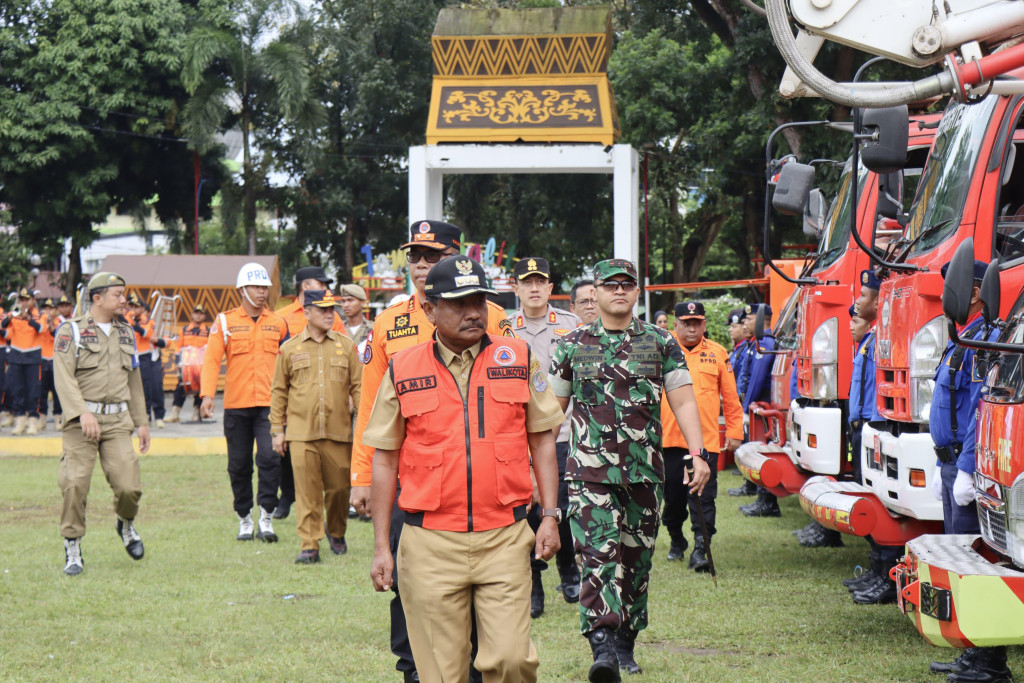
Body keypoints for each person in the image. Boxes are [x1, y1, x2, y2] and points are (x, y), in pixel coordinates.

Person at [364, 255, 565, 683]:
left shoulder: (517, 357)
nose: (474, 311)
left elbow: (543, 438)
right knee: (440, 673)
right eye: (459, 302)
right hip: (429, 544)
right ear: (430, 308)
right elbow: (385, 458)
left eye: (479, 300)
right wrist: (383, 546)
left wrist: (549, 515)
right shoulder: (403, 368)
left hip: (505, 538)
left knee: (512, 662)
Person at [350, 219, 511, 683]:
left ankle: (476, 667)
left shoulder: (493, 317)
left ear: (456, 257)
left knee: (481, 580)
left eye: (432, 255)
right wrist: (362, 474)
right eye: (414, 257)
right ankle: (415, 668)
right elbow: (370, 407)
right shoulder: (389, 322)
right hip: (409, 479)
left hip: (476, 475)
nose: (421, 265)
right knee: (409, 577)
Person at [549, 258, 711, 680]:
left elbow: (684, 400)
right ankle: (602, 646)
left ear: (637, 292)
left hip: (643, 473)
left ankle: (626, 642)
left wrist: (698, 453)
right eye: (610, 285)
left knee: (635, 562)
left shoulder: (660, 342)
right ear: (596, 293)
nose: (619, 291)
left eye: (627, 284)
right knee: (598, 557)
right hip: (588, 475)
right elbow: (551, 412)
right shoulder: (571, 344)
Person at [926, 260, 1011, 683]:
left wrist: (965, 469)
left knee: (981, 564)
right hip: (950, 462)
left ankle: (990, 662)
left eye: (951, 288)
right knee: (960, 561)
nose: (945, 297)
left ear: (974, 291)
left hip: (965, 465)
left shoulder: (986, 339)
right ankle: (971, 652)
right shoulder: (966, 336)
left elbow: (983, 411)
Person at [52, 272, 151, 575]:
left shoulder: (126, 333)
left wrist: (142, 421)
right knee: (75, 484)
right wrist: (82, 412)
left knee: (129, 487)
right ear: (97, 298)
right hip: (80, 422)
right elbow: (63, 376)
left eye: (124, 294)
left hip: (118, 420)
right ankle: (72, 545)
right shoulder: (71, 331)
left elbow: (134, 380)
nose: (124, 300)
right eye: (117, 294)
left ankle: (126, 524)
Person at [508, 256, 582, 617]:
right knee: (525, 509)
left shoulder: (571, 325)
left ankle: (568, 567)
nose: (535, 288)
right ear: (516, 287)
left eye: (541, 282)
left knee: (560, 505)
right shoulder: (503, 329)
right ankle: (534, 582)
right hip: (516, 434)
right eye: (527, 282)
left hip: (563, 430)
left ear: (551, 288)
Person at [200, 263, 289, 544]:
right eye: (256, 287)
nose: (262, 292)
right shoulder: (224, 322)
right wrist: (206, 396)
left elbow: (288, 365)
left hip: (269, 406)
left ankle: (266, 516)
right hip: (236, 405)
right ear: (242, 290)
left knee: (270, 459)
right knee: (238, 465)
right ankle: (244, 518)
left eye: (265, 287)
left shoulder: (278, 323)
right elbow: (212, 361)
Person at [271, 290, 361, 564]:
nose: (328, 314)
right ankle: (309, 544)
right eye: (321, 310)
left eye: (331, 309)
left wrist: (363, 427)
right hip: (301, 433)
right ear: (306, 312)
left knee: (339, 490)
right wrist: (277, 430)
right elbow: (278, 392)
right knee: (307, 492)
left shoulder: (346, 347)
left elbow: (359, 388)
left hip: (338, 432)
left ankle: (336, 531)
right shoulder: (290, 348)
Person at [660, 301, 743, 571]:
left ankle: (700, 549)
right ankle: (676, 540)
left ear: (704, 324)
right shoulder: (661, 350)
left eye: (697, 322)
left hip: (706, 442)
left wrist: (734, 431)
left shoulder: (718, 353)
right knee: (672, 500)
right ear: (676, 324)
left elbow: (730, 397)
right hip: (669, 441)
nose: (692, 328)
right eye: (686, 323)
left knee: (703, 498)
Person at [275, 266, 347, 520]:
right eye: (321, 283)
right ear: (305, 286)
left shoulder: (332, 317)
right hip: (297, 401)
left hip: (331, 405)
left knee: (336, 481)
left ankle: (335, 529)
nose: (326, 288)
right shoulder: (281, 318)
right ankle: (287, 499)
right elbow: (279, 369)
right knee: (291, 465)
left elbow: (343, 354)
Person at [738, 304, 782, 517]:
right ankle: (762, 498)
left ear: (760, 319)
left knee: (762, 452)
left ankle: (767, 501)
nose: (745, 323)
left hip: (762, 407)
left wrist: (746, 408)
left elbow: (756, 379)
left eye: (749, 318)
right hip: (759, 407)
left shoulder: (765, 343)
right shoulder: (758, 342)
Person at [1, 288, 45, 435]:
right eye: (22, 300)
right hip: (16, 355)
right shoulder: (14, 314)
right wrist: (11, 316)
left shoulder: (40, 315)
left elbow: (41, 329)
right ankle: (20, 421)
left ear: (33, 300)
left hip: (32, 356)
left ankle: (32, 421)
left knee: (33, 390)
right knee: (16, 389)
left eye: (27, 299)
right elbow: (5, 329)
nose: (24, 302)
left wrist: (28, 318)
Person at [126, 295, 168, 429]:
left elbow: (147, 334)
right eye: (131, 306)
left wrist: (134, 324)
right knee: (142, 389)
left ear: (142, 308)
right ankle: (146, 416)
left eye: (136, 307)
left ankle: (159, 416)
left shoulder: (148, 321)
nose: (133, 309)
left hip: (150, 357)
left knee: (156, 387)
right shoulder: (126, 320)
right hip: (136, 357)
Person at [166, 305, 211, 424]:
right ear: (192, 315)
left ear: (204, 316)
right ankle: (175, 414)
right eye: (196, 313)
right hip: (186, 367)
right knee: (180, 388)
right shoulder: (184, 329)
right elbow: (178, 346)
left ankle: (197, 413)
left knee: (201, 390)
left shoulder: (207, 331)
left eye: (201, 313)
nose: (198, 315)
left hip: (201, 367)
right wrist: (176, 362)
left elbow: (211, 349)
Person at [37, 297, 58, 432]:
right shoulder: (40, 321)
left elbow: (57, 334)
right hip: (43, 359)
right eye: (46, 308)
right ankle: (42, 419)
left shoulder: (59, 321)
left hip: (55, 360)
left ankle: (58, 419)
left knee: (57, 392)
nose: (48, 311)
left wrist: (52, 326)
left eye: (51, 308)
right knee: (42, 392)